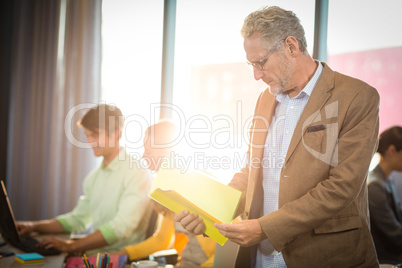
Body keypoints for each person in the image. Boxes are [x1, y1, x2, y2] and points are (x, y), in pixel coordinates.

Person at [174, 6, 380, 268]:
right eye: (251, 65)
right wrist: (209, 211)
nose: (256, 75)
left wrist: (265, 228)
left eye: (260, 62)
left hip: (327, 256)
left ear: (291, 46)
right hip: (261, 259)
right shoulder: (264, 99)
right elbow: (251, 175)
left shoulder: (357, 96)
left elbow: (341, 187)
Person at [16, 104, 154, 254]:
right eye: (87, 135)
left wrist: (70, 246)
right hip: (90, 255)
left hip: (118, 260)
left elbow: (122, 227)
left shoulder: (138, 173)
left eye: (94, 135)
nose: (89, 142)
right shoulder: (93, 178)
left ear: (115, 134)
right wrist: (33, 226)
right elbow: (78, 219)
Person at [114, 120, 216, 267]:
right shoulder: (167, 190)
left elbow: (228, 243)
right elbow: (162, 240)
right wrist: (123, 253)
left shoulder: (200, 184)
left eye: (148, 151)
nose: (143, 156)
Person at [368, 126, 402, 264]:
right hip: (385, 260)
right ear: (392, 150)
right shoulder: (375, 186)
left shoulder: (386, 180)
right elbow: (394, 234)